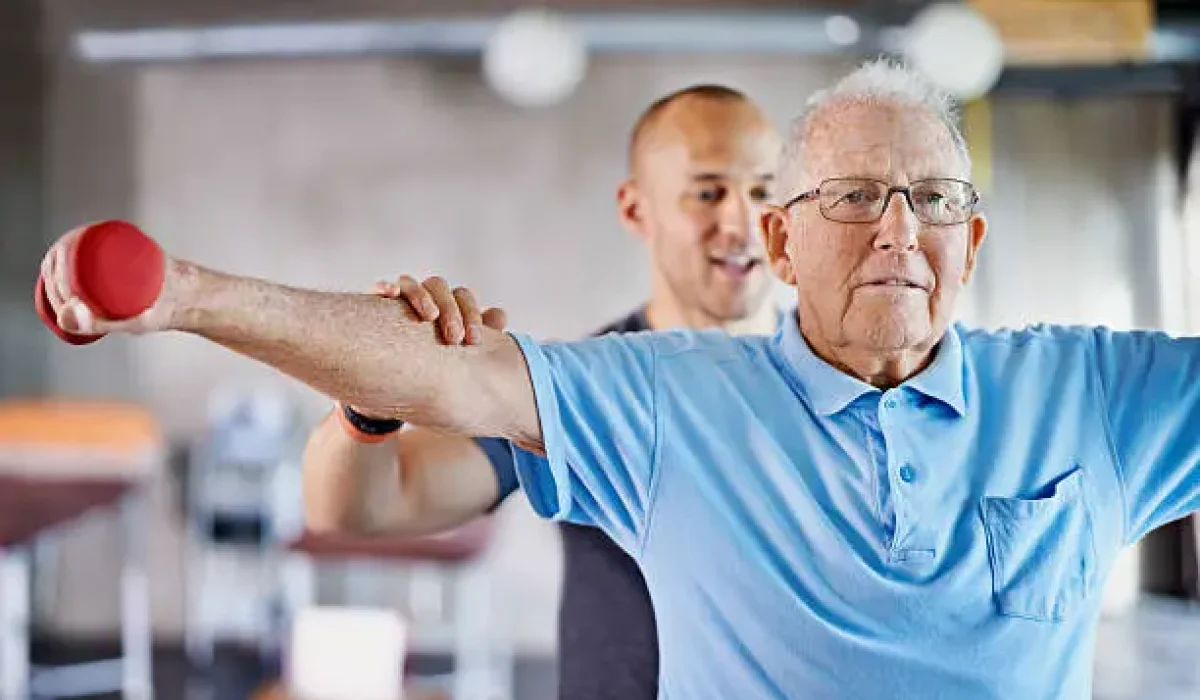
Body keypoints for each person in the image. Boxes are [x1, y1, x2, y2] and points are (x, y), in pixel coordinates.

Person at [39, 59, 1200, 699]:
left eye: (932, 199)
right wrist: (182, 295)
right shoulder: (647, 389)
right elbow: (397, 443)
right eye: (852, 197)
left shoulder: (1083, 392)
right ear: (784, 237)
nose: (898, 230)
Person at [302, 84, 782, 700]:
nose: (742, 223)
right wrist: (371, 400)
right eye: (708, 193)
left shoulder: (828, 378)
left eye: (763, 191)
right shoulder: (576, 387)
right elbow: (362, 508)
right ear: (636, 210)